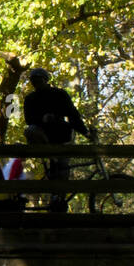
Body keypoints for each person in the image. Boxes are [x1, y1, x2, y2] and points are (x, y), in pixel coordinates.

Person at [23, 68, 93, 211]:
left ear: (45, 80)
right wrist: (42, 119)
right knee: (31, 131)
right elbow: (29, 120)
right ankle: (55, 197)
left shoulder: (59, 95)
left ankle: (58, 202)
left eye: (38, 80)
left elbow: (73, 116)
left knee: (62, 171)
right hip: (42, 137)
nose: (36, 83)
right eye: (33, 81)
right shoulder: (30, 99)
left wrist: (85, 132)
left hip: (61, 137)